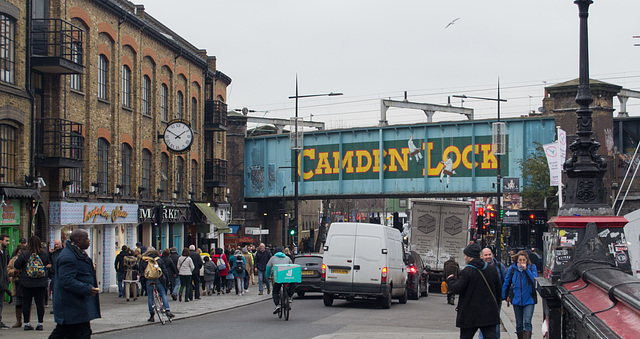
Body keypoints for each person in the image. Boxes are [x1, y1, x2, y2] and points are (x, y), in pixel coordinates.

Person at [49, 229, 100, 338]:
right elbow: (66, 281)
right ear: (78, 240)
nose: (89, 240)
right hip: (71, 306)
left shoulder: (76, 253)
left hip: (76, 306)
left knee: (65, 333)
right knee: (80, 333)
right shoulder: (68, 257)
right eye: (86, 238)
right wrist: (87, 289)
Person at [446, 243, 501, 339]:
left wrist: (450, 280)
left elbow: (456, 289)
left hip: (470, 314)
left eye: (465, 255)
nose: (464, 257)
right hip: (489, 313)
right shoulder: (492, 269)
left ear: (470, 257)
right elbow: (498, 291)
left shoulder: (467, 272)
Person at [13, 235, 51, 331]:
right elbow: (48, 265)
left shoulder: (25, 254)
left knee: (26, 303)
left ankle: (27, 323)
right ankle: (40, 323)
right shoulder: (44, 254)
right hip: (40, 282)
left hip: (27, 282)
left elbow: (16, 264)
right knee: (40, 303)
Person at [503, 251, 538, 339]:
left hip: (529, 299)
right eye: (520, 260)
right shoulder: (512, 269)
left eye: (524, 260)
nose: (522, 262)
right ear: (517, 260)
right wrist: (504, 295)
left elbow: (534, 280)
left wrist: (526, 270)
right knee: (519, 324)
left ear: (527, 260)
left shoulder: (531, 267)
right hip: (517, 300)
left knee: (527, 322)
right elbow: (507, 282)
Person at [139, 247, 174, 322]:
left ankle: (152, 315)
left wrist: (143, 284)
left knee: (150, 297)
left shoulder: (143, 260)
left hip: (148, 279)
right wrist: (167, 281)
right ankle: (167, 310)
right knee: (163, 294)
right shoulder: (159, 259)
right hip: (158, 279)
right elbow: (164, 270)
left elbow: (142, 272)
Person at [480, 248, 508, 339]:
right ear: (482, 256)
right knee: (482, 323)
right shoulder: (479, 267)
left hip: (496, 300)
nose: (488, 257)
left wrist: (503, 295)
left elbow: (506, 281)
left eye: (489, 254)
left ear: (492, 255)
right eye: (486, 255)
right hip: (482, 300)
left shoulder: (499, 266)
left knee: (495, 323)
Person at [266, 247, 295, 314]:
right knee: (291, 285)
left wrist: (268, 276)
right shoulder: (287, 258)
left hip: (277, 278)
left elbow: (268, 268)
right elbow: (292, 267)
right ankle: (289, 297)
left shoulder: (272, 258)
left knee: (275, 291)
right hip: (287, 277)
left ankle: (277, 305)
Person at [8, 244, 25, 328]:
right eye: (18, 253)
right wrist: (14, 271)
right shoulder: (13, 260)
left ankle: (26, 320)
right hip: (16, 282)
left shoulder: (27, 259)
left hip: (25, 283)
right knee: (17, 303)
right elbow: (8, 270)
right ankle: (18, 320)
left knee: (25, 303)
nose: (19, 254)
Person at [0, 234, 10, 329]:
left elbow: (6, 267)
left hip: (3, 281)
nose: (8, 242)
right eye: (6, 241)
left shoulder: (6, 252)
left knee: (0, 302)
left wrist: (7, 278)